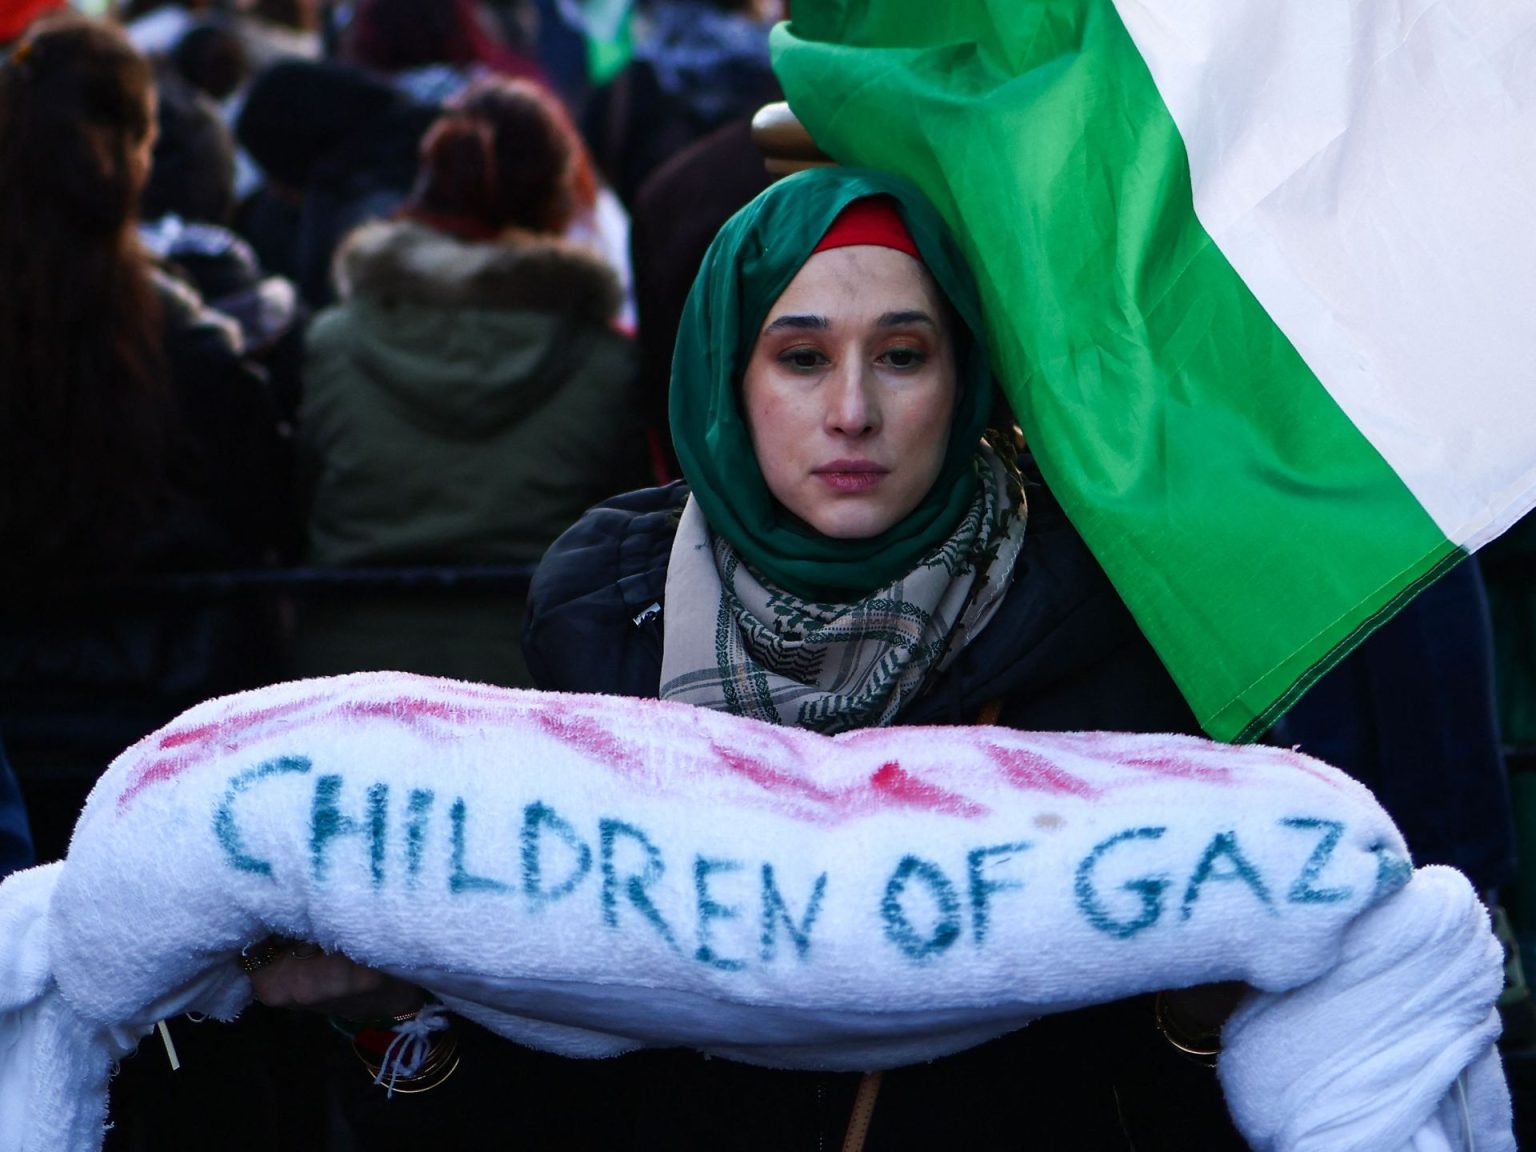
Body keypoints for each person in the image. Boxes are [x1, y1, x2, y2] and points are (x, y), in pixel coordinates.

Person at [252, 166, 1247, 1149]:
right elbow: (553, 1081)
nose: (852, 410)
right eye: (802, 358)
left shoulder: (1096, 631)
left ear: (967, 380)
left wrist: (1200, 1020)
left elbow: (1147, 1089)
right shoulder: (605, 629)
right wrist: (396, 1017)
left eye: (902, 355)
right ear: (730, 373)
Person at [289, 75, 648, 688]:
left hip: (348, 683)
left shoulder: (330, 343)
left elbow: (292, 506)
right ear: (559, 197)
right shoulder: (609, 362)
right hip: (538, 682)